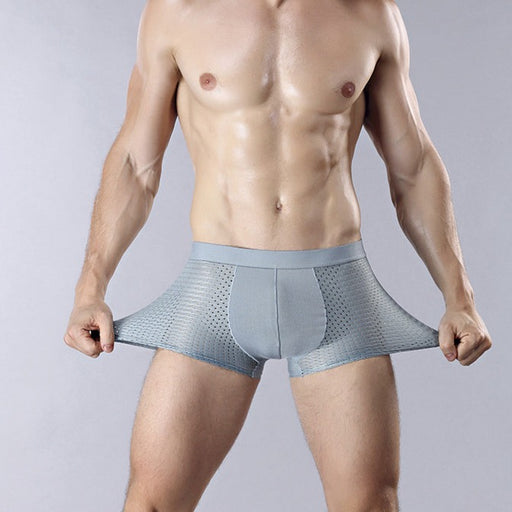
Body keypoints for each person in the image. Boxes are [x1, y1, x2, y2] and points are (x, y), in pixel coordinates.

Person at [64, 0, 492, 510]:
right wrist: (90, 288)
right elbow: (136, 163)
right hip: (217, 289)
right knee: (152, 504)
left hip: (336, 289)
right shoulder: (178, 11)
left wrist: (460, 298)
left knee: (369, 505)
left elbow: (413, 167)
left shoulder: (368, 13)